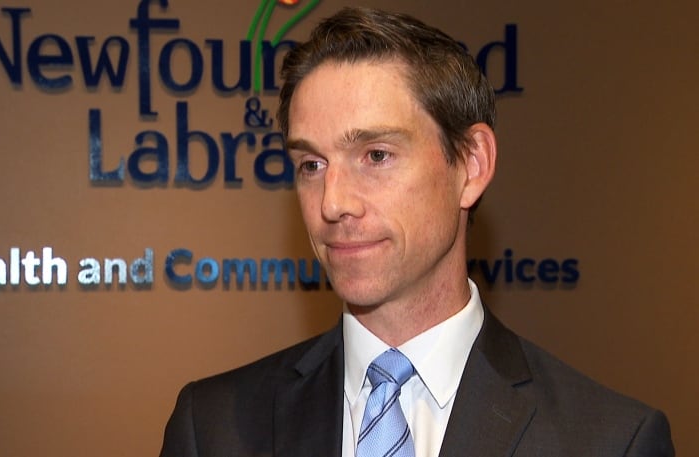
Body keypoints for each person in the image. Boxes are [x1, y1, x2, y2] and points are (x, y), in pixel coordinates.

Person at [159, 6, 674, 456]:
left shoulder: (610, 440)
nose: (333, 202)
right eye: (312, 164)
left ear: (471, 164)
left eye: (376, 155)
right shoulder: (211, 427)